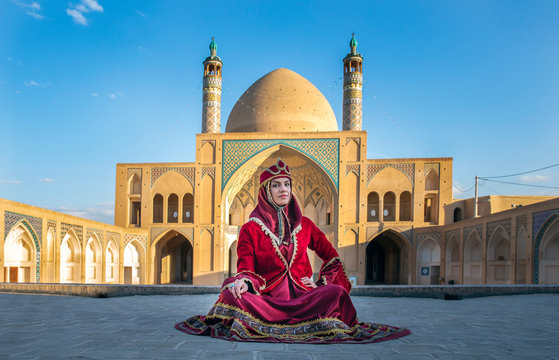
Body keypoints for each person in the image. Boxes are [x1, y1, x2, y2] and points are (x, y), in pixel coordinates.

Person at [175, 158, 410, 343]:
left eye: (286, 184)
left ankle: (278, 320)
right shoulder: (251, 228)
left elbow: (331, 255)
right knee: (230, 293)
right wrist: (244, 281)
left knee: (336, 293)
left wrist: (321, 282)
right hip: (267, 297)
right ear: (266, 191)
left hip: (303, 297)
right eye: (276, 185)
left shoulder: (305, 225)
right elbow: (245, 263)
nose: (283, 190)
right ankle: (291, 320)